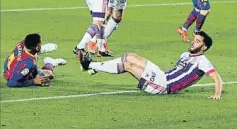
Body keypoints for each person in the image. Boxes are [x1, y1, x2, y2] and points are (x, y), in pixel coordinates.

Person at [80, 31, 223, 99]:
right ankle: (95, 66)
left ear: (203, 48)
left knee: (128, 65)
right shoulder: (185, 55)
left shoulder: (202, 61)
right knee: (131, 56)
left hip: (164, 86)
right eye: (194, 39)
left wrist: (217, 94)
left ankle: (90, 64)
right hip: (162, 75)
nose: (193, 42)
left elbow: (216, 78)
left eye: (198, 41)